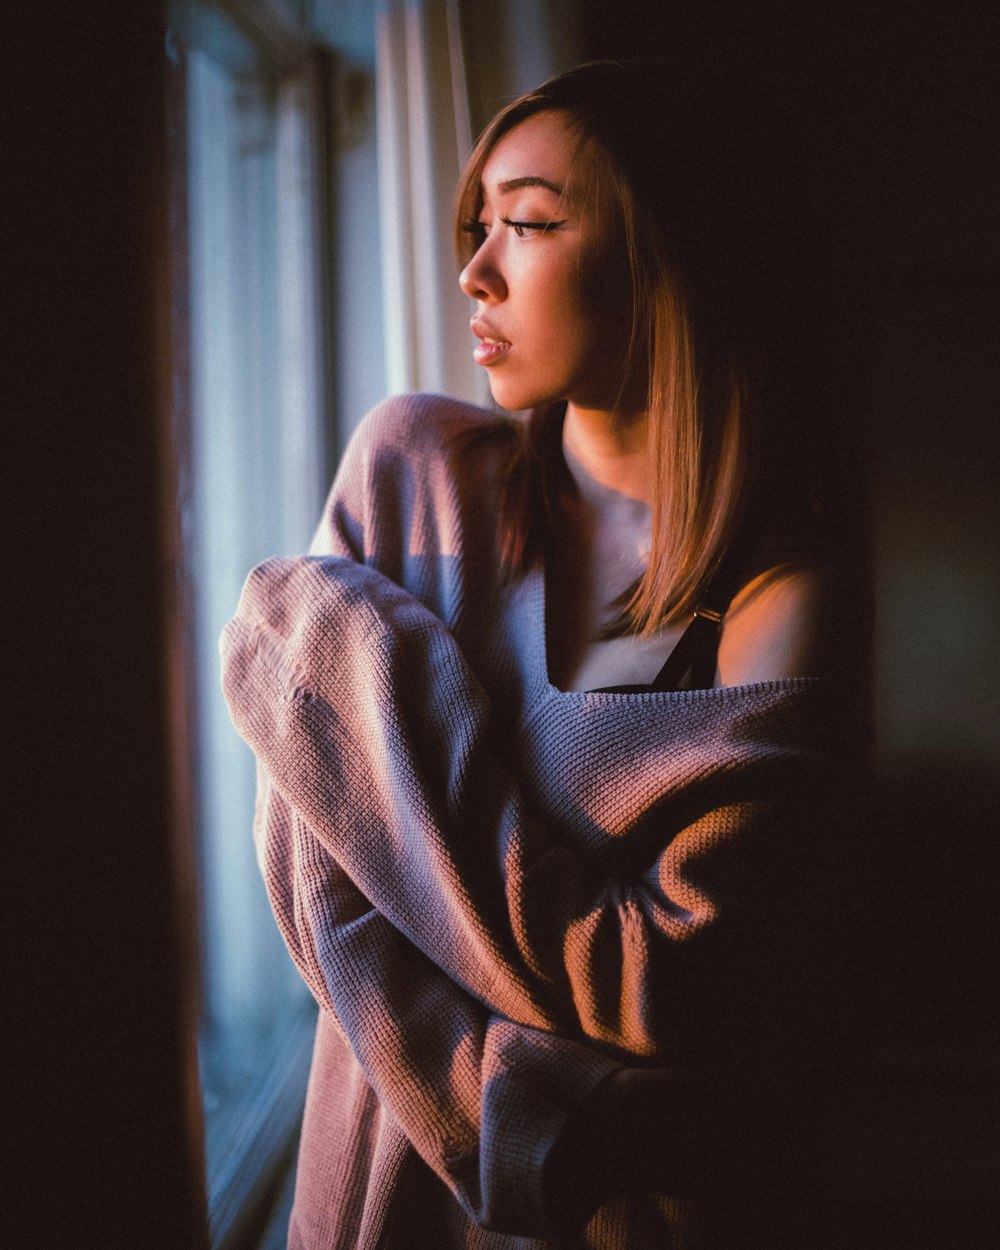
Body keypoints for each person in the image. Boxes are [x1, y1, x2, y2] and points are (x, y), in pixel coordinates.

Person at [222, 61, 862, 1249]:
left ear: (673, 253)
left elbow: (675, 988)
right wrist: (548, 1118)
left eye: (526, 222)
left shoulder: (782, 599)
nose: (475, 270)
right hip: (367, 1193)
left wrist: (401, 822)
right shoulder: (412, 472)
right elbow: (310, 867)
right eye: (477, 225)